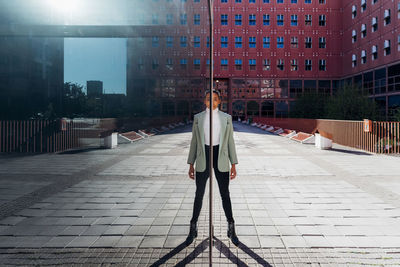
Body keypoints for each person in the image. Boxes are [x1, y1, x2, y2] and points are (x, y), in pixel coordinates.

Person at [186, 89, 239, 246]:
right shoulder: (198, 118)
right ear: (205, 101)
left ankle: (231, 227)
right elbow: (194, 141)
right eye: (209, 99)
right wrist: (190, 164)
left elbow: (230, 142)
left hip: (220, 158)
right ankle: (193, 227)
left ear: (219, 101)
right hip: (203, 157)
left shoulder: (227, 118)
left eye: (215, 99)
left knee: (225, 194)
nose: (212, 101)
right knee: (199, 194)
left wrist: (234, 164)